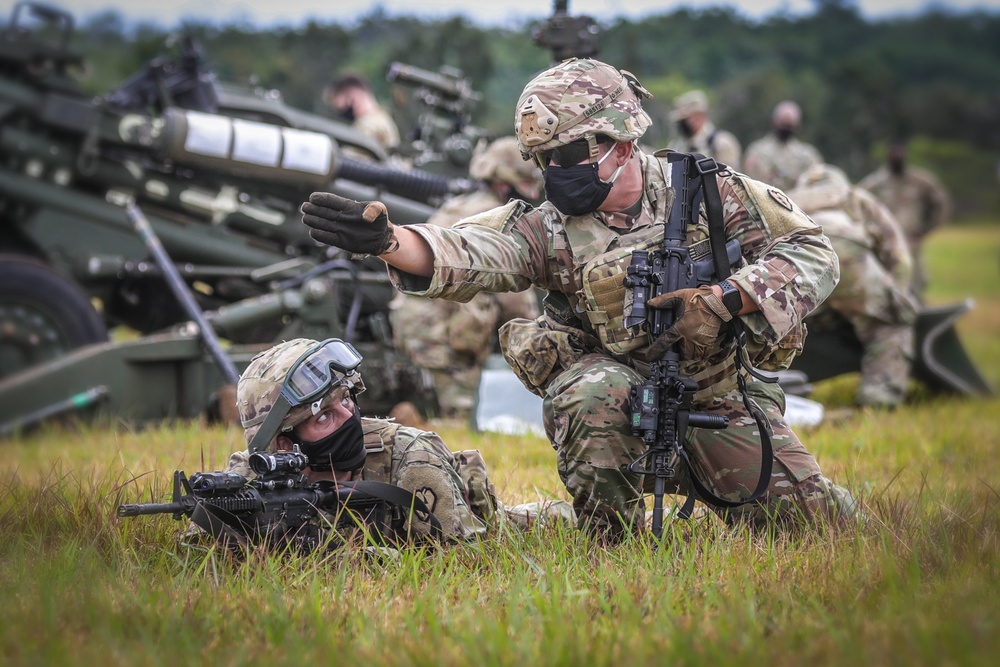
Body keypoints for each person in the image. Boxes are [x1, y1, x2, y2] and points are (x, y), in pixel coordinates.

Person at [301, 58, 857, 540]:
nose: (555, 172)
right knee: (590, 389)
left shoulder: (711, 191)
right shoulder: (550, 227)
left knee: (824, 529)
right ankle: (610, 540)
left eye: (568, 153)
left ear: (623, 141)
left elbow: (815, 252)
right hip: (616, 404)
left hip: (718, 399)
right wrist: (389, 242)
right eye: (542, 160)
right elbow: (474, 251)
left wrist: (726, 299)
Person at [228, 337, 574, 544]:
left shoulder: (411, 456)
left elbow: (459, 555)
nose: (350, 417)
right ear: (284, 445)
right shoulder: (257, 479)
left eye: (347, 399)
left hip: (475, 516)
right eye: (324, 416)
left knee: (558, 519)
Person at [389, 136, 542, 419]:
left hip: (414, 321)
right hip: (445, 330)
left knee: (434, 403)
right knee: (463, 413)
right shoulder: (499, 219)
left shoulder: (460, 205)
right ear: (504, 184)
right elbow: (515, 299)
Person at [789, 164, 919, 408]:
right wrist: (893, 299)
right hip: (845, 248)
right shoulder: (856, 196)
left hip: (795, 254)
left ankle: (772, 396)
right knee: (889, 322)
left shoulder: (788, 198)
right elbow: (899, 257)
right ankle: (878, 399)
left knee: (779, 331)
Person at [859, 142, 951, 299]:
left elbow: (940, 202)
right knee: (887, 287)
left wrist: (928, 227)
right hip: (885, 245)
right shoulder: (876, 183)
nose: (897, 158)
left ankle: (918, 317)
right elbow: (857, 201)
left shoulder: (919, 181)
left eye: (900, 154)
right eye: (893, 154)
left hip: (912, 242)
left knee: (915, 286)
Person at [743, 100, 823, 191]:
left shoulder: (807, 155)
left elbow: (815, 183)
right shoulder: (757, 151)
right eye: (783, 122)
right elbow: (750, 182)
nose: (786, 127)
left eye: (790, 123)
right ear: (775, 121)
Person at [667, 89, 742, 170]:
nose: (681, 124)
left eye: (684, 120)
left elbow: (730, 179)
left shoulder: (721, 143)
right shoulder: (676, 147)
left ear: (699, 116)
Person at [325, 73, 401, 150]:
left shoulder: (368, 125)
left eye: (340, 107)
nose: (341, 112)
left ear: (353, 94)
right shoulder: (382, 118)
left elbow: (351, 157)